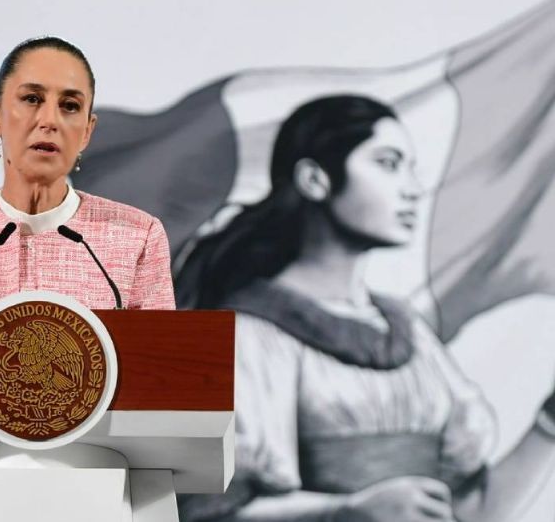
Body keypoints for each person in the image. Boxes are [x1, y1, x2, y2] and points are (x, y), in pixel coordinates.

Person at [174, 95, 555, 521]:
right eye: (388, 164)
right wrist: (347, 510)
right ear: (315, 179)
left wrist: (550, 422)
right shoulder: (246, 335)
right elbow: (207, 514)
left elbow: (471, 511)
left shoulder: (408, 333)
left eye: (411, 168)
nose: (412, 188)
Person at [0, 36, 175, 521]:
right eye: (32, 99)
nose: (49, 120)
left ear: (86, 131)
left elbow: (167, 388)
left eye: (70, 106)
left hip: (92, 499)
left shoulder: (135, 236)